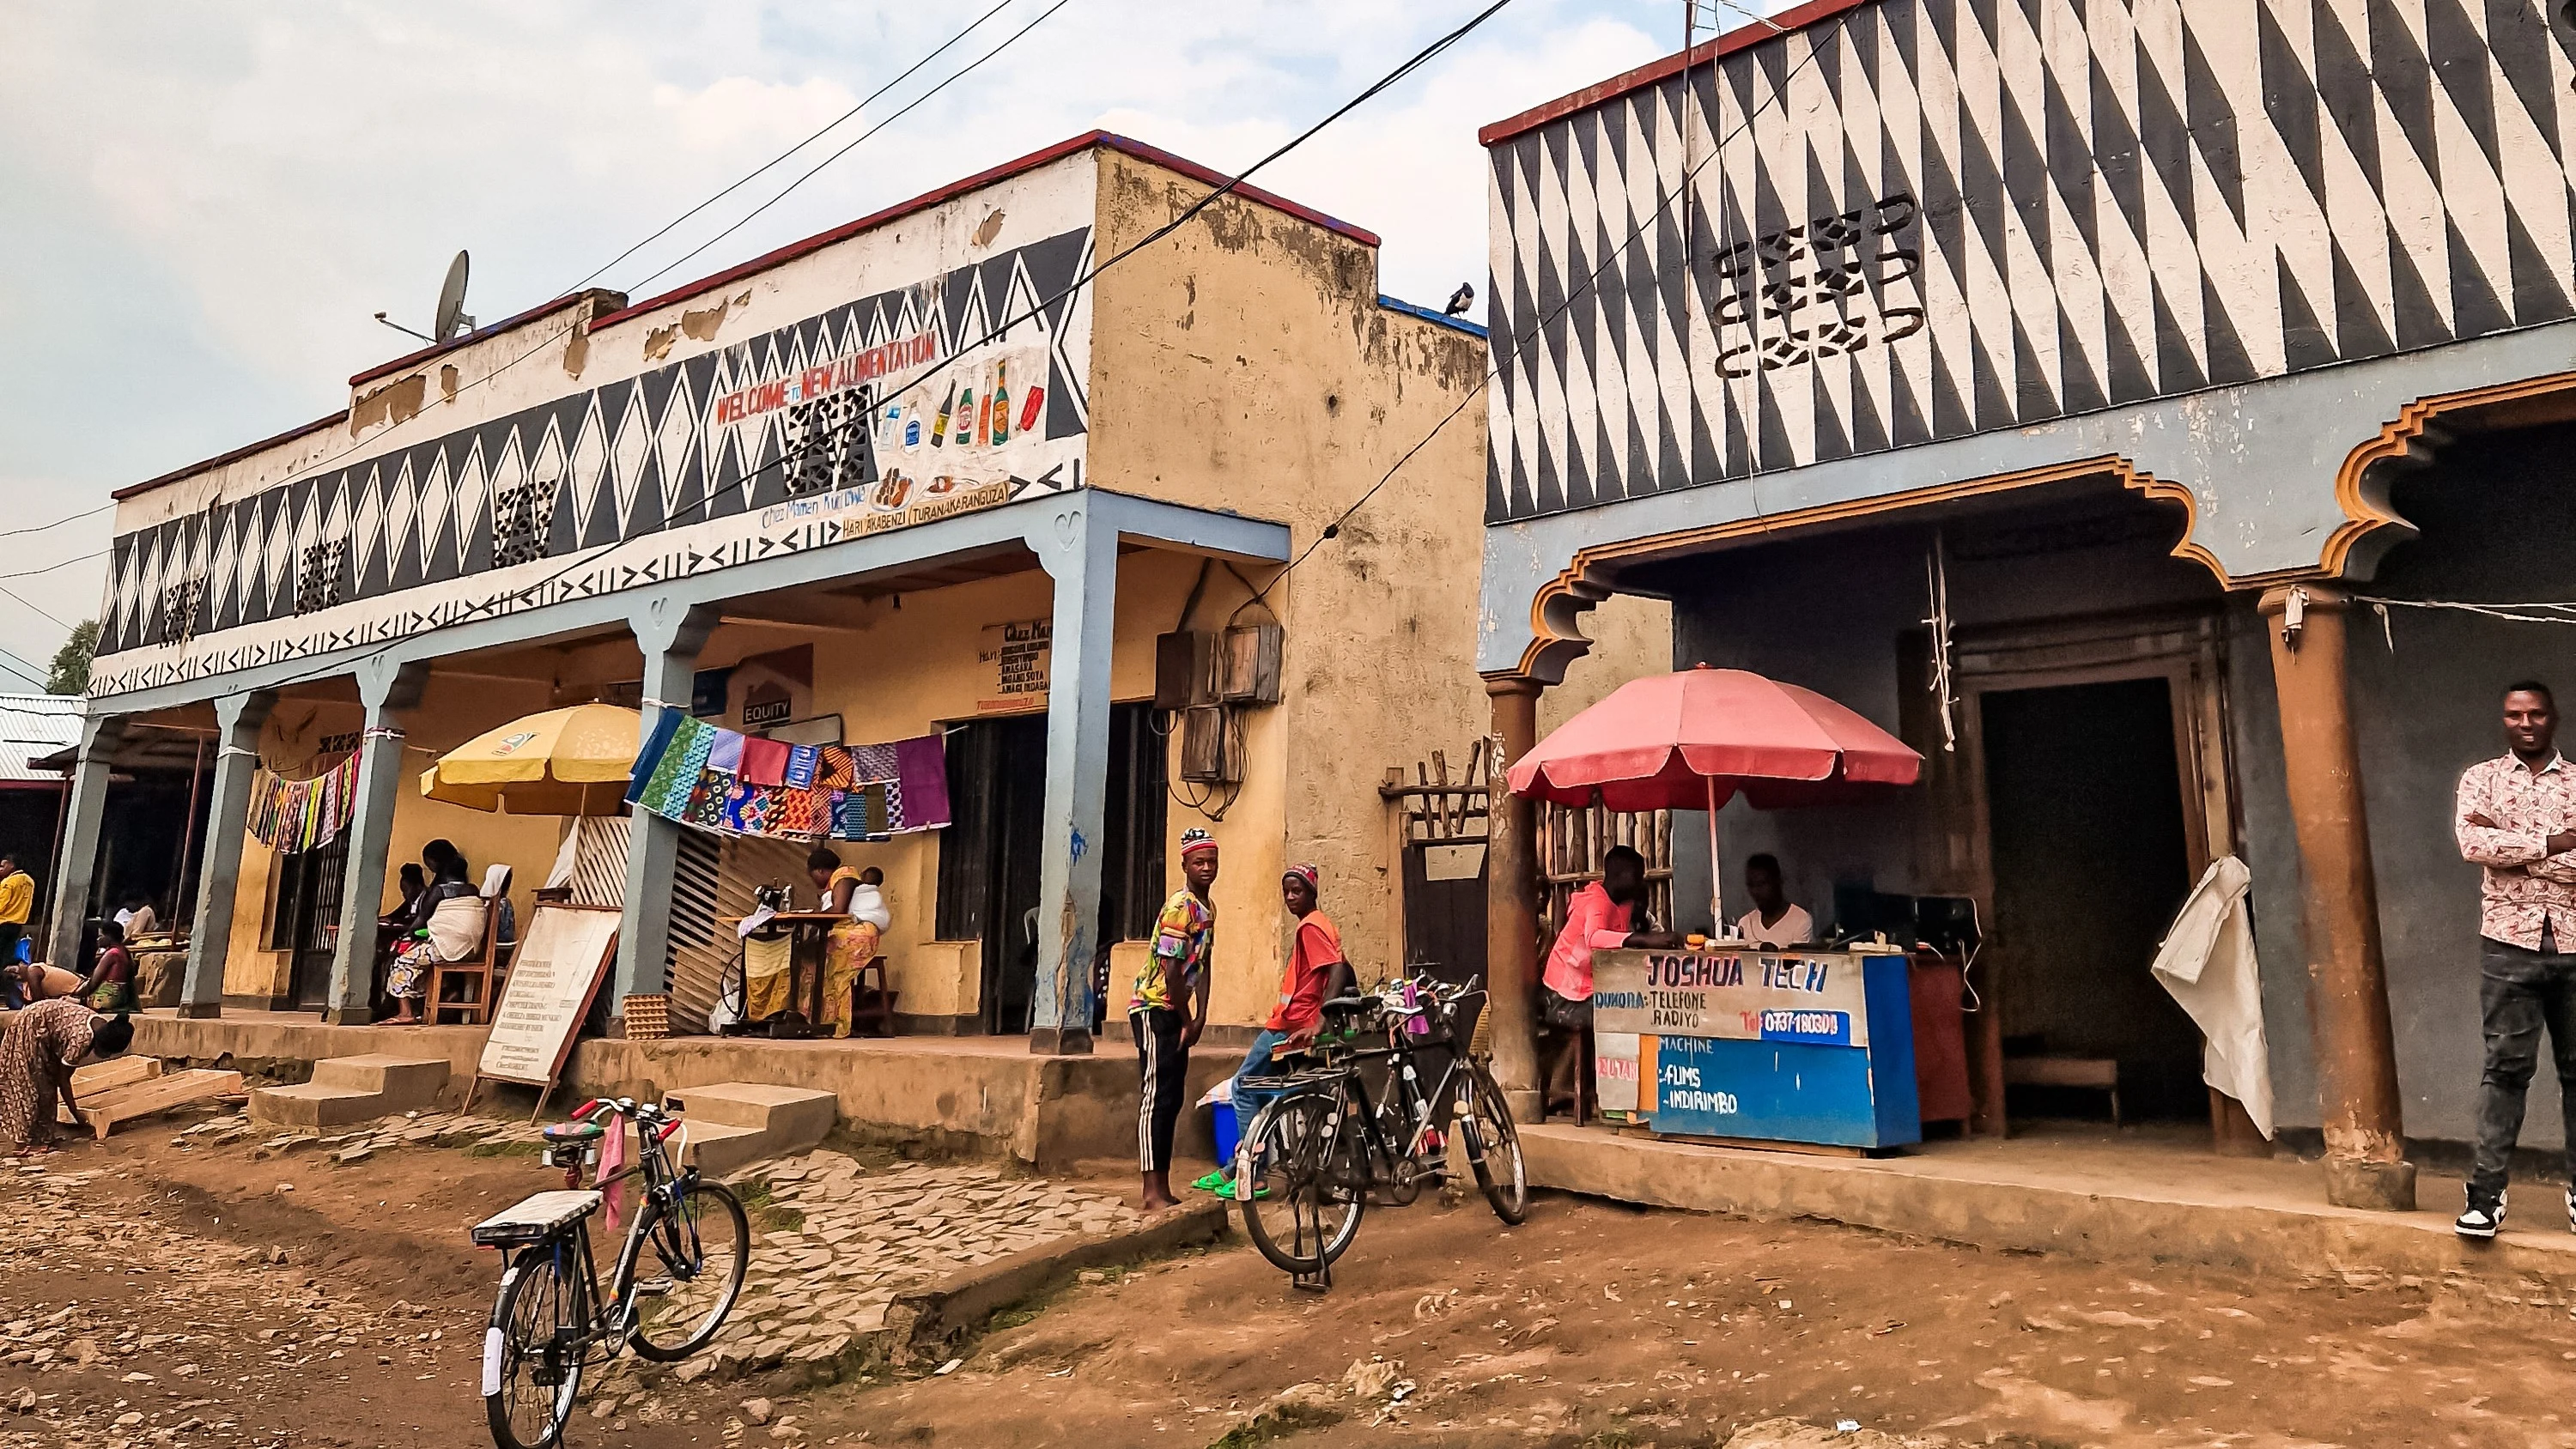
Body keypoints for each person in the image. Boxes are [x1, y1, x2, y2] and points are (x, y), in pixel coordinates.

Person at [2454, 680, 2576, 1238]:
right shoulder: (2480, 779)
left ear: (2552, 718)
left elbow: (2496, 849)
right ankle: (2486, 1195)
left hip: (2575, 948)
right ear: (2505, 720)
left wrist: (2514, 849)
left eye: (2535, 714)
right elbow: (2473, 846)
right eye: (2514, 715)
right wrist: (2555, 844)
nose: (2525, 723)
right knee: (2504, 1071)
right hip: (2508, 945)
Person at [1202, 864, 1349, 1197]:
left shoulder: (1311, 927)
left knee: (1243, 1087)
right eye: (1286, 892)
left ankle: (1252, 1173)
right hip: (1293, 1021)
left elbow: (1338, 968)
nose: (1290, 898)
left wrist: (1319, 1020)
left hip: (1291, 1025)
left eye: (1297, 891)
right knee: (1272, 1091)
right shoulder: (1318, 926)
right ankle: (1233, 1167)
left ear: (1312, 892)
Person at [1540, 845, 1678, 1118]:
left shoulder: (1622, 905)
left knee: (1634, 1010)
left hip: (1591, 989)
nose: (1640, 882)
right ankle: (1615, 1098)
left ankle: (1622, 1095)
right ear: (1621, 876)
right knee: (1625, 1016)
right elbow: (1595, 939)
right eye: (1637, 876)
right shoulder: (1597, 901)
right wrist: (1641, 939)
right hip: (1564, 995)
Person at [1133, 828, 1218, 1211]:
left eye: (1211, 862)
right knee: (1156, 1097)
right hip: (1155, 1009)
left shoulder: (1207, 909)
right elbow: (1170, 972)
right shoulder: (1179, 907)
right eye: (1198, 862)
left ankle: (1163, 1187)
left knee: (1172, 1098)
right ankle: (1151, 1191)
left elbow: (1202, 964)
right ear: (1184, 865)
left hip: (1179, 1011)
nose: (1206, 868)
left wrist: (1201, 1016)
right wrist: (1187, 1019)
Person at [0, 997, 131, 1155]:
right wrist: (77, 1116)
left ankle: (44, 1137)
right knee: (30, 1085)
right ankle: (23, 1143)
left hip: (42, 1027)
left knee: (47, 1084)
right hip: (30, 1027)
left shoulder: (101, 1024)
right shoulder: (81, 1041)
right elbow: (63, 1082)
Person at [385, 840, 479, 1025]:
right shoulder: (473, 890)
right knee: (421, 957)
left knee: (400, 961)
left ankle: (406, 1012)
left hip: (445, 949)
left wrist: (408, 937)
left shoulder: (438, 891)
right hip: (470, 949)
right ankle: (439, 999)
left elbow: (420, 922)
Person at [805, 850, 889, 1039]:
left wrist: (811, 915)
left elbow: (839, 910)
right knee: (809, 955)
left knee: (825, 964)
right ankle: (816, 1018)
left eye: (812, 876)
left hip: (859, 935)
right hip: (853, 931)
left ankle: (834, 1022)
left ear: (818, 871)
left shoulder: (843, 876)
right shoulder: (836, 882)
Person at [1734, 854, 1814, 947]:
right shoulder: (1745, 924)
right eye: (1751, 885)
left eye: (1761, 884)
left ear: (1778, 882)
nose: (1755, 891)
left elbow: (1798, 959)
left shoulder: (1800, 920)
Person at [76, 922, 136, 1014]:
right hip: (122, 995)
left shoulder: (112, 954)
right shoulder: (123, 951)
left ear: (109, 937)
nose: (98, 939)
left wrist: (78, 993)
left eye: (100, 936)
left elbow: (94, 981)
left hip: (109, 997)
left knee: (67, 1000)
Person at [0, 852, 33, 972]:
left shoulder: (9, 882)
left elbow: (1, 905)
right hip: (17, 924)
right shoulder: (29, 881)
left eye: (3, 866)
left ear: (12, 866)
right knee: (7, 955)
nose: (0, 869)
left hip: (3, 923)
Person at [382, 864, 428, 928]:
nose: (403, 894)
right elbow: (396, 914)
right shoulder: (410, 901)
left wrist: (394, 920)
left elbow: (419, 919)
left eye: (406, 890)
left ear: (418, 886)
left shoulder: (429, 899)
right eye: (402, 891)